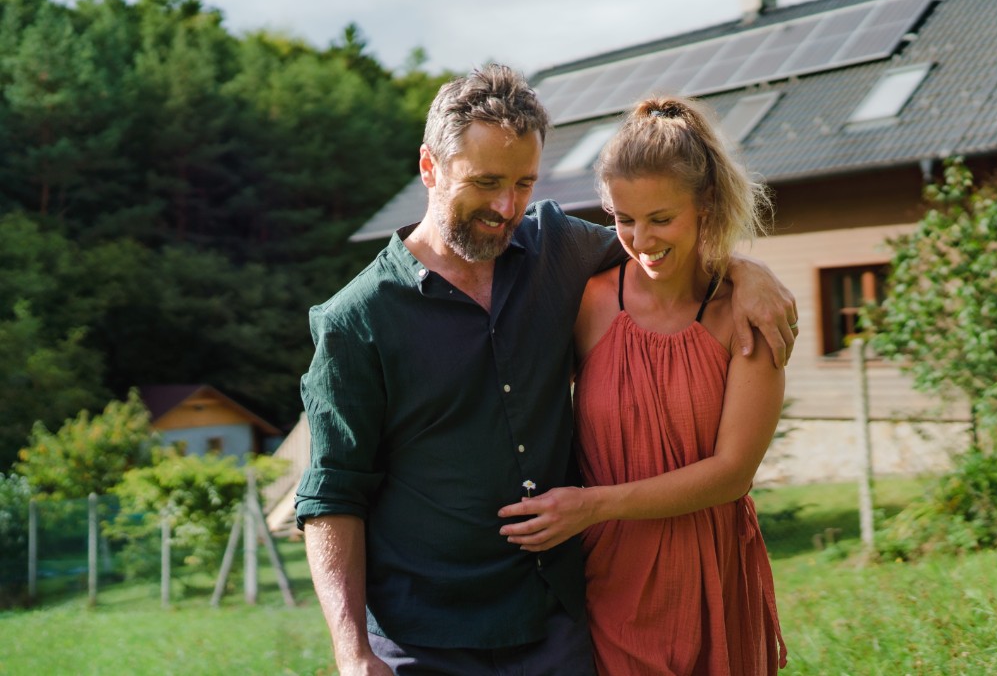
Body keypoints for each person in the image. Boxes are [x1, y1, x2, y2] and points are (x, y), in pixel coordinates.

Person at [296, 67, 797, 675]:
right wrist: (352, 653)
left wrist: (748, 271)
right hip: (423, 637)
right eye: (484, 182)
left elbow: (666, 245)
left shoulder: (558, 249)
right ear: (430, 168)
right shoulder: (357, 320)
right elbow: (331, 495)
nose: (506, 207)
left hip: (555, 621)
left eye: (523, 183)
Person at [498, 96, 788, 674]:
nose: (641, 239)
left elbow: (733, 474)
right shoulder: (590, 301)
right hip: (611, 579)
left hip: (713, 573)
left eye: (661, 219)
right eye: (623, 220)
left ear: (705, 204)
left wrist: (591, 505)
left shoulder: (748, 316)